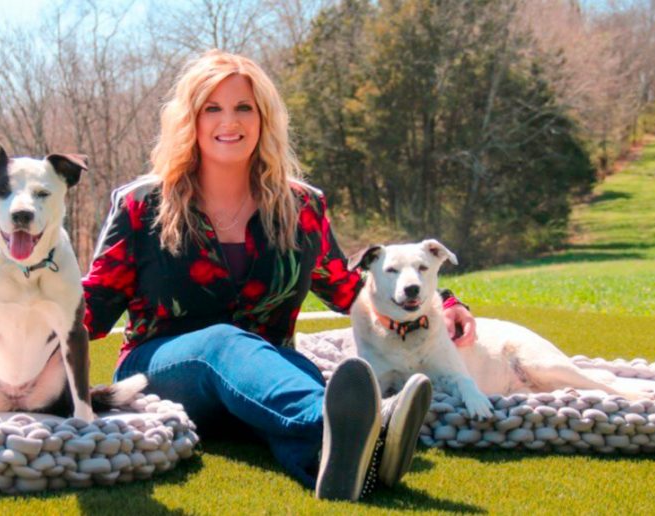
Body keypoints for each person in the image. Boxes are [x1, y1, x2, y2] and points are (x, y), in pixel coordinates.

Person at [81, 50, 476, 501]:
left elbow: (350, 289)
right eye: (212, 108)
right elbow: (91, 309)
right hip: (162, 373)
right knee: (223, 343)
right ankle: (363, 427)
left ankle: (338, 464)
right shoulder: (142, 204)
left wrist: (442, 303)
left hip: (266, 376)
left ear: (264, 118)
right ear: (190, 119)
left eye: (243, 107)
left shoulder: (301, 207)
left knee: (300, 373)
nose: (229, 121)